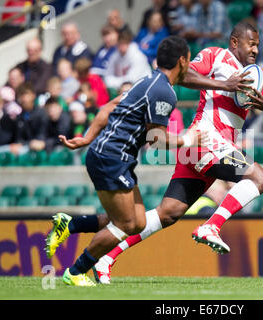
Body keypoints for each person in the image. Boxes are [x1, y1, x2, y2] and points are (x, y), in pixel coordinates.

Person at [47, 23, 263, 285]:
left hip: (212, 147)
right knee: (260, 178)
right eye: (251, 43)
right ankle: (212, 225)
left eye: (258, 45)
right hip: (206, 140)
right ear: (235, 42)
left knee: (166, 213)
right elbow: (185, 75)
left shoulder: (256, 75)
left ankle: (106, 257)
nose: (255, 49)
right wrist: (224, 85)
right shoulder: (215, 56)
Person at [45, 36, 214, 286]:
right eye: (189, 60)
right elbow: (156, 138)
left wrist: (87, 138)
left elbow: (108, 108)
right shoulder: (163, 91)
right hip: (111, 158)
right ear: (182, 61)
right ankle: (76, 271)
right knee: (126, 224)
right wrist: (189, 139)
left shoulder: (146, 81)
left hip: (113, 157)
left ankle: (70, 224)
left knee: (137, 222)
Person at [15, 82, 48, 153]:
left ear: (33, 95)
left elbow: (43, 136)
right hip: (27, 148)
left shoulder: (41, 113)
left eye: (26, 94)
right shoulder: (19, 117)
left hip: (43, 150)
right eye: (21, 95)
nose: (23, 98)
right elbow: (19, 139)